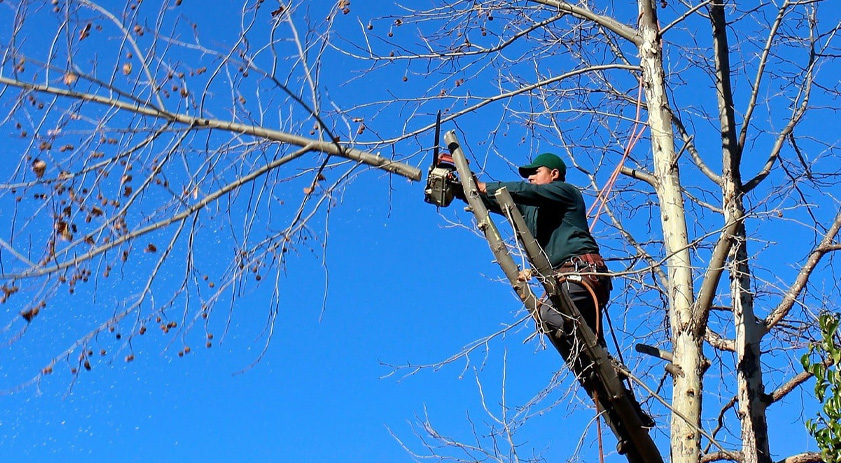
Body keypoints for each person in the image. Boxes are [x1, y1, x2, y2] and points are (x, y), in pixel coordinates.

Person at [460, 152, 612, 343]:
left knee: (549, 314)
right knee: (583, 347)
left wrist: (485, 186)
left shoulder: (566, 192)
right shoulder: (531, 208)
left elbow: (526, 191)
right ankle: (598, 358)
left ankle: (588, 348)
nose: (530, 178)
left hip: (582, 272)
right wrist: (462, 188)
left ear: (554, 174)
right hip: (566, 281)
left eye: (536, 172)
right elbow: (498, 200)